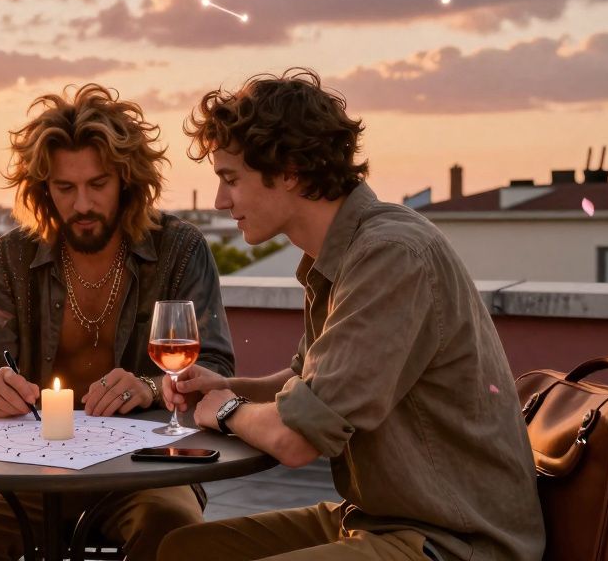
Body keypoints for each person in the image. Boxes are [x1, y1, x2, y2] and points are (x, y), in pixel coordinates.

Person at [158, 69, 544, 561]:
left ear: (290, 171)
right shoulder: (343, 256)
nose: (220, 201)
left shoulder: (392, 257)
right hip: (375, 519)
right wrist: (225, 388)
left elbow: (296, 439)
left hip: (454, 541)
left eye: (231, 179)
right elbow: (304, 385)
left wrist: (229, 412)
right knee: (183, 549)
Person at [0, 84, 234, 561]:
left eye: (97, 184)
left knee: (174, 530)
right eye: (65, 187)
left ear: (127, 180)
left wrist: (148, 384)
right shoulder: (10, 256)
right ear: (43, 189)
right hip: (21, 469)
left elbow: (213, 363)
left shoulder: (179, 250)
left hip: (143, 471)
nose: (82, 204)